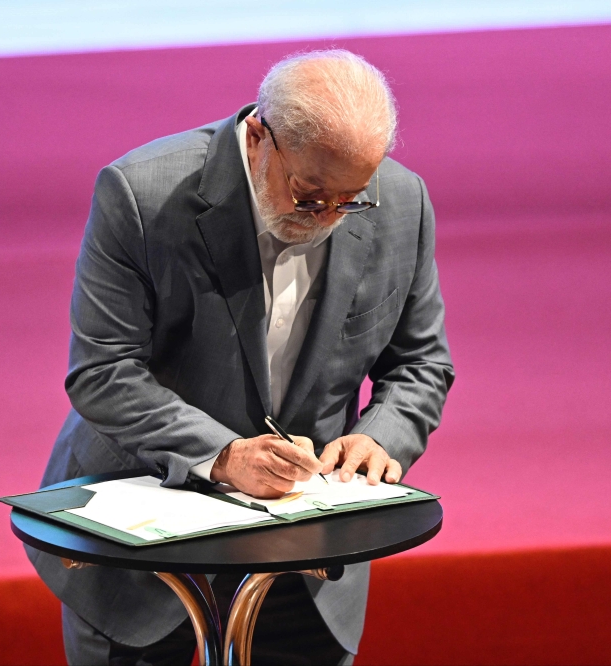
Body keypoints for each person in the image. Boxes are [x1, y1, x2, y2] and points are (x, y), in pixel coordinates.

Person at [26, 49, 454, 665]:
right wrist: (223, 456)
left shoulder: (402, 202)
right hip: (146, 548)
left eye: (351, 199)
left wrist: (380, 437)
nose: (329, 218)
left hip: (306, 558)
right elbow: (103, 371)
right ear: (258, 137)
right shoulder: (143, 194)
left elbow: (420, 364)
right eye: (309, 197)